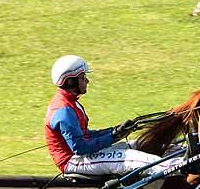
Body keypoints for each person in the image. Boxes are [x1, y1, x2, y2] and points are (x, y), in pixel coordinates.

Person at [44, 55, 183, 177]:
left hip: (82, 156)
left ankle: (184, 153)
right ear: (70, 81)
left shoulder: (71, 103)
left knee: (142, 145)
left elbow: (86, 135)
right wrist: (114, 136)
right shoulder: (63, 110)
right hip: (73, 161)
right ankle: (182, 166)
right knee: (134, 158)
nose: (87, 81)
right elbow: (80, 148)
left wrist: (115, 130)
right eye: (83, 77)